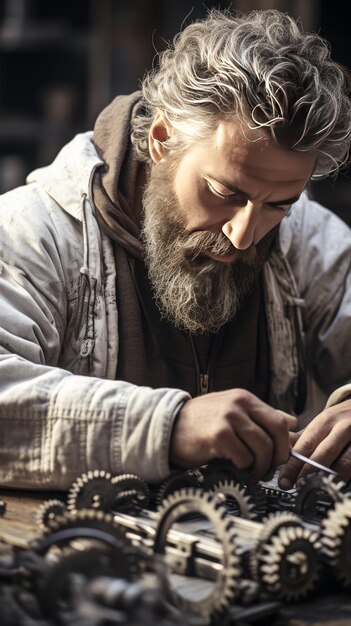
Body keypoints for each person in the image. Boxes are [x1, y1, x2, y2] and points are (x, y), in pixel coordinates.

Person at [0, 8, 351, 492]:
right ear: (163, 139)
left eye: (278, 205)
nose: (245, 234)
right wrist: (167, 426)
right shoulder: (33, 233)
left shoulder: (304, 238)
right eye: (226, 194)